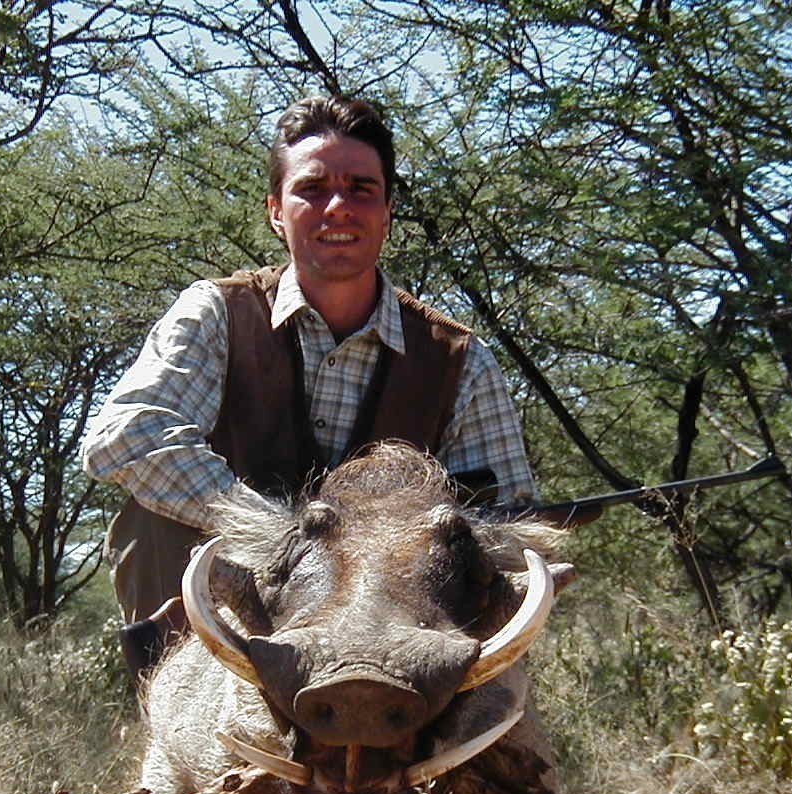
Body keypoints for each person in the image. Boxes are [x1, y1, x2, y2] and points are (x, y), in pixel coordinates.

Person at [81, 95, 536, 676]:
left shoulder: (459, 359)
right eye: (312, 189)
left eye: (361, 189)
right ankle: (174, 717)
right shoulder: (215, 312)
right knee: (155, 514)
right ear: (276, 210)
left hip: (395, 631)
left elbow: (508, 523)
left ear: (389, 210)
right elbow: (125, 437)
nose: (338, 207)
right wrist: (278, 537)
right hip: (232, 600)